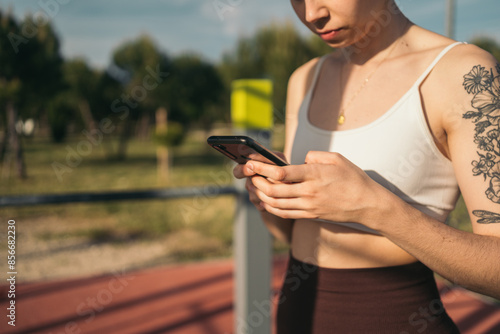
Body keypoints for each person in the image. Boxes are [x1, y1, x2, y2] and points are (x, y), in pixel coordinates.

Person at [233, 0, 500, 333]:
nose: (312, 14)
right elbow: (291, 235)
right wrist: (272, 199)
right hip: (296, 315)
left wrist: (373, 207)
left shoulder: (464, 72)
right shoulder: (304, 78)